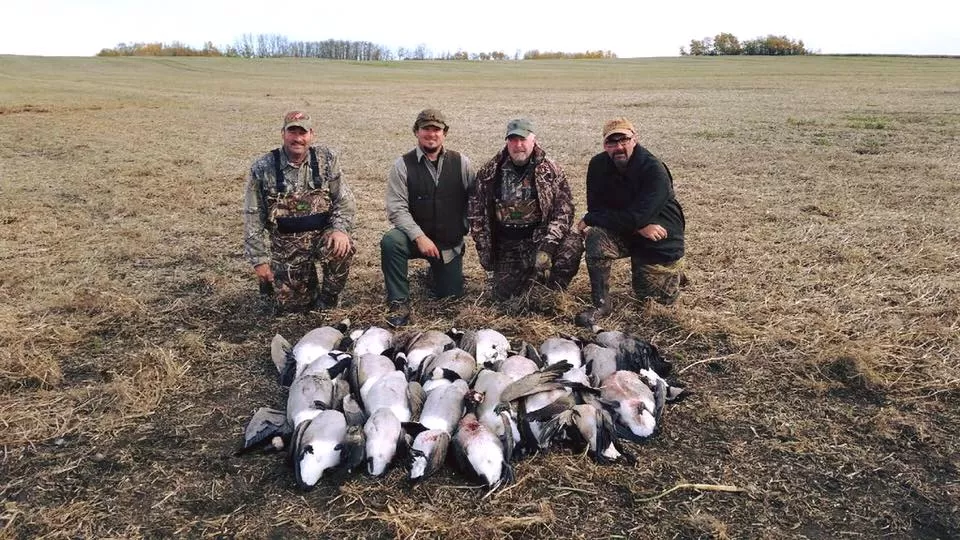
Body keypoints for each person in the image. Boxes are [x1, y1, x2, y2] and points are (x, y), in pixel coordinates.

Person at [574, 118, 685, 327]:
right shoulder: (597, 165)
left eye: (623, 140)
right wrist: (637, 224)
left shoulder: (654, 169)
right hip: (633, 229)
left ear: (635, 139)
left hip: (660, 236)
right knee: (597, 237)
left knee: (654, 303)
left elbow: (604, 215)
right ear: (604, 145)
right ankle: (601, 304)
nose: (618, 147)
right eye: (611, 143)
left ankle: (672, 271)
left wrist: (590, 218)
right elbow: (597, 208)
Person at [243, 111, 356, 314]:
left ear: (311, 135)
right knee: (293, 308)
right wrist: (259, 261)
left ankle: (329, 298)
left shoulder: (327, 159)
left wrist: (339, 230)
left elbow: (345, 201)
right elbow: (253, 217)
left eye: (302, 132)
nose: (297, 138)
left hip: (322, 236)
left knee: (342, 248)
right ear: (282, 134)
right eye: (291, 132)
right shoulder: (263, 167)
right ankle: (281, 285)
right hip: (286, 247)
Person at [469, 118, 583, 301]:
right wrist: (483, 246)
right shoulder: (490, 172)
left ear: (533, 140)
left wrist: (548, 245)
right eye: (513, 140)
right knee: (506, 299)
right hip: (508, 243)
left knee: (572, 244)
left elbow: (565, 210)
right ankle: (528, 278)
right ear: (507, 142)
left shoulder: (550, 169)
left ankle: (553, 292)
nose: (518, 145)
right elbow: (476, 212)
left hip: (541, 240)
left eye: (523, 139)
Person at [381, 108, 476, 327]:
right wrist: (418, 236)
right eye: (426, 129)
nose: (431, 134)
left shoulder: (461, 163)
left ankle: (436, 273)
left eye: (437, 129)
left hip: (447, 242)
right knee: (391, 241)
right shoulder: (402, 165)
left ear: (445, 133)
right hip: (415, 239)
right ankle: (399, 300)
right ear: (416, 131)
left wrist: (465, 227)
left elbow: (475, 201)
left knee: (450, 298)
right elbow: (396, 208)